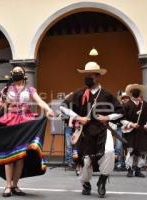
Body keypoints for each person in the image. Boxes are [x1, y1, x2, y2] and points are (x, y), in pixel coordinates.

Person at [0, 66, 54, 197]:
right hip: (9, 121)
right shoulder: (6, 90)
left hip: (25, 122)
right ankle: (8, 186)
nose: (16, 73)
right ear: (11, 74)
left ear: (24, 74)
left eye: (19, 71)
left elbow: (40, 101)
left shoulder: (30, 89)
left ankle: (15, 185)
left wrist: (48, 109)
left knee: (20, 156)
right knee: (9, 156)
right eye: (14, 72)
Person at [60, 61, 123, 198]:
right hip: (85, 132)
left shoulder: (106, 94)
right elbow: (63, 107)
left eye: (91, 75)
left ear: (98, 76)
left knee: (109, 153)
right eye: (86, 75)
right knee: (86, 160)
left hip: (102, 130)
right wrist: (78, 117)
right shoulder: (79, 93)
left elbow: (121, 111)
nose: (88, 78)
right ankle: (86, 183)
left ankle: (103, 180)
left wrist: (108, 117)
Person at [121, 84, 147, 178]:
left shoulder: (145, 105)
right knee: (130, 150)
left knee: (142, 151)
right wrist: (131, 124)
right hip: (130, 131)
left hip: (142, 131)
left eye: (137, 90)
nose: (136, 91)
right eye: (134, 90)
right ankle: (129, 169)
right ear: (131, 93)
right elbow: (122, 118)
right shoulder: (126, 105)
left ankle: (138, 169)